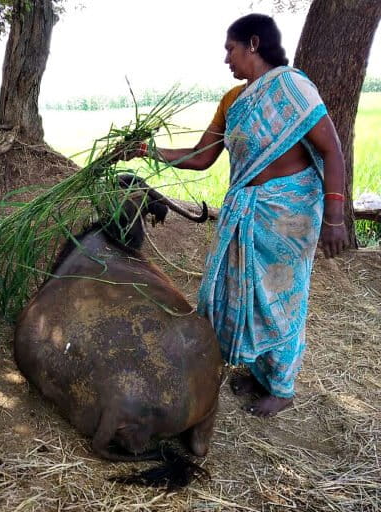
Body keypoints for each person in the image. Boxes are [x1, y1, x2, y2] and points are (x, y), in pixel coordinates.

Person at [125, 13, 349, 417]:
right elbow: (201, 156)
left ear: (254, 44)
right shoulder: (232, 101)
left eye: (230, 49)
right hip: (247, 213)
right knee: (245, 294)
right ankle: (257, 371)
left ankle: (281, 386)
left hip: (289, 217)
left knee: (280, 296)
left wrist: (335, 217)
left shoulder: (293, 87)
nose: (226, 59)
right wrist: (146, 151)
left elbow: (332, 149)